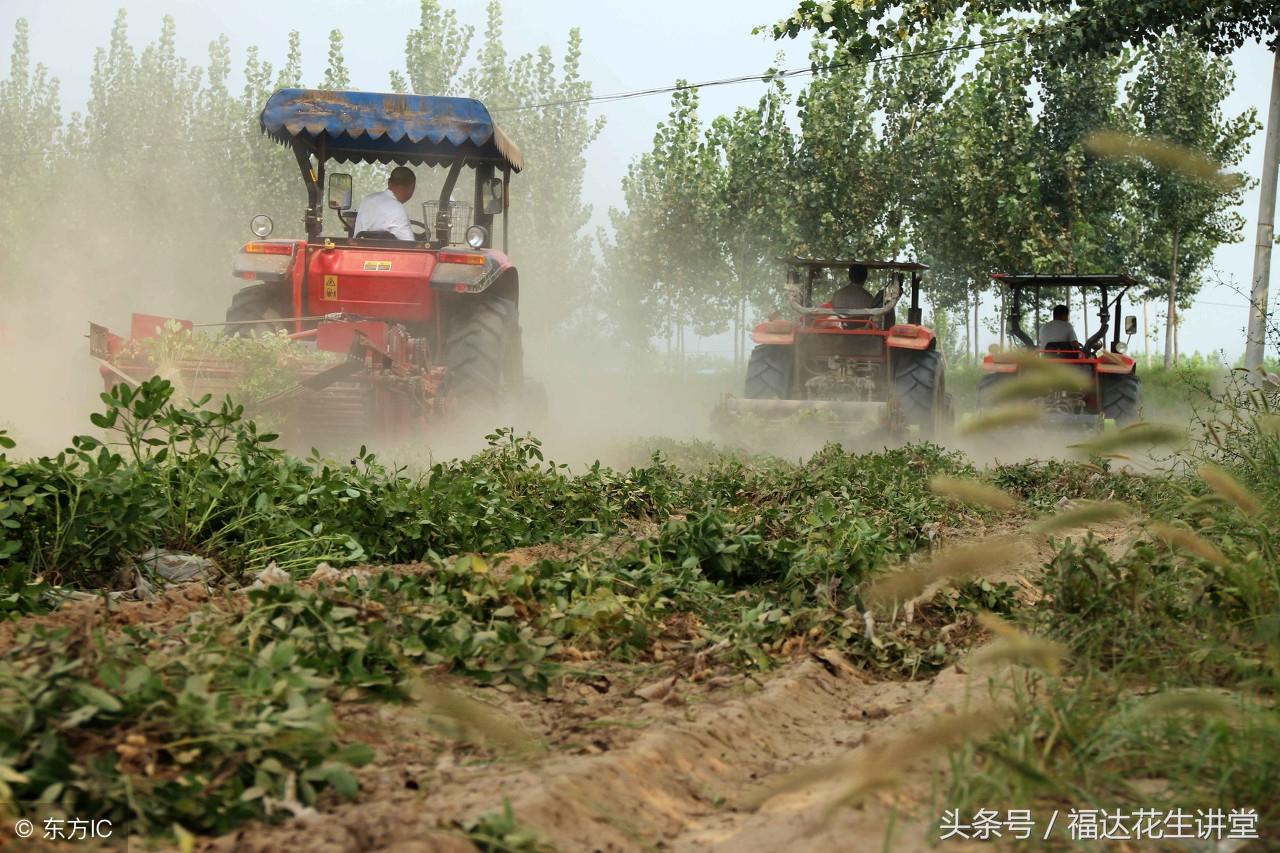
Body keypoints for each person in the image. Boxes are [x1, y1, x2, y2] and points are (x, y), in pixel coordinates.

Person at [353, 166, 416, 240]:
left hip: (359, 250)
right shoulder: (397, 209)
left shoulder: (367, 200)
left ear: (389, 182)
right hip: (386, 251)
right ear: (412, 187)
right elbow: (409, 245)